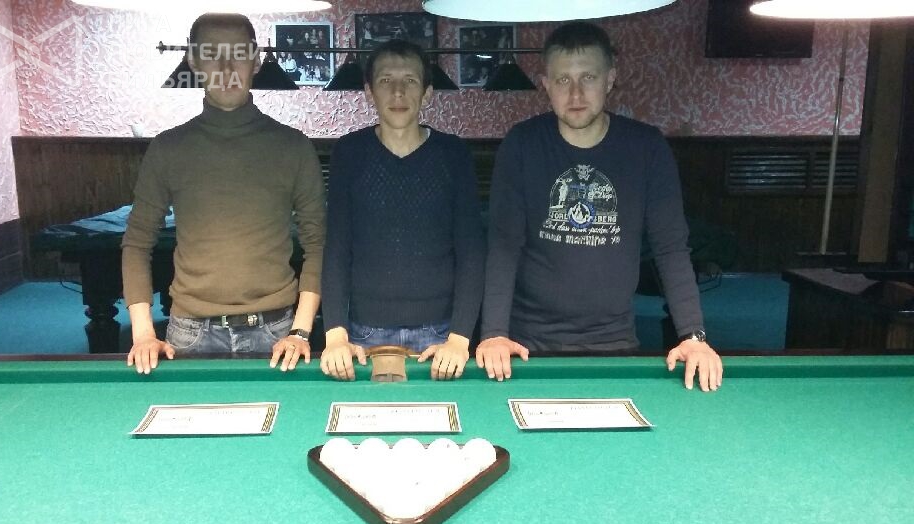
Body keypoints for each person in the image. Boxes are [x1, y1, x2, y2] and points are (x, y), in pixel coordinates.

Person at [476, 21, 723, 391]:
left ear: (610, 80)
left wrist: (693, 335)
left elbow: (671, 247)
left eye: (588, 77)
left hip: (614, 340)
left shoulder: (646, 148)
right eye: (563, 79)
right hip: (525, 343)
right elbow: (503, 243)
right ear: (546, 85)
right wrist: (494, 332)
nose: (575, 93)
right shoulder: (522, 144)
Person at [122, 13, 325, 374]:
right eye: (212, 54)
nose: (227, 67)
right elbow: (137, 243)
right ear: (193, 61)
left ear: (256, 61)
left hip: (277, 333)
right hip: (188, 334)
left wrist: (301, 331)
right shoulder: (168, 148)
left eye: (238, 54)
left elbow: (319, 244)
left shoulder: (294, 147)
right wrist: (142, 334)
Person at [320, 39, 485, 381]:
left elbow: (471, 252)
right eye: (385, 81)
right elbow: (336, 248)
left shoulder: (453, 154)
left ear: (427, 93)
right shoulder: (349, 153)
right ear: (369, 92)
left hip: (441, 336)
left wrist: (459, 339)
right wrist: (335, 334)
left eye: (410, 80)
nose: (398, 92)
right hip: (362, 333)